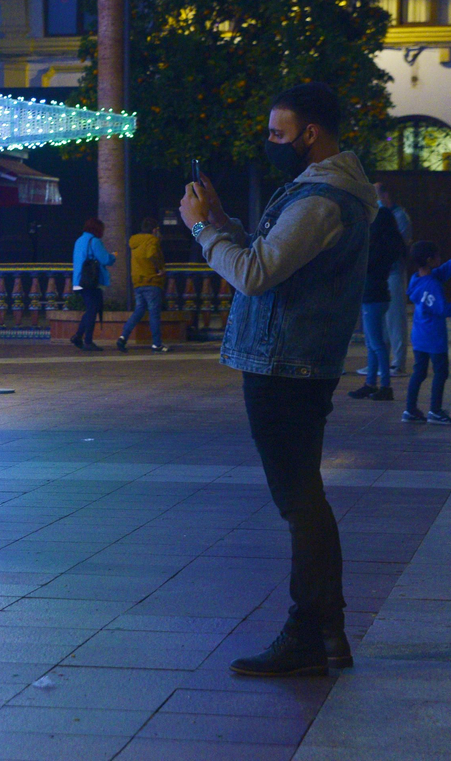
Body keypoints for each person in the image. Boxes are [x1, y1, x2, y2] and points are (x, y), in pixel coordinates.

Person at [180, 82, 375, 677]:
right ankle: (327, 633)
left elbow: (255, 274)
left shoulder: (322, 199)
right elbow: (272, 256)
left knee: (299, 501)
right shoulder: (322, 192)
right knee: (302, 497)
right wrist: (222, 218)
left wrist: (201, 230)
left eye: (276, 133)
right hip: (291, 360)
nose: (269, 143)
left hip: (285, 364)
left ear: (310, 133)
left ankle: (308, 634)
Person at [403, 242, 451, 426]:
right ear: (429, 260)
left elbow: (445, 269)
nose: (440, 259)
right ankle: (435, 410)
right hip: (434, 338)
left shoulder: (416, 279)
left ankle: (410, 409)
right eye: (437, 256)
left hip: (419, 337)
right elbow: (444, 310)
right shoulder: (433, 284)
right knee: (441, 372)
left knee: (419, 372)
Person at [347, 205, 405, 402]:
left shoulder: (376, 247)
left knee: (376, 344)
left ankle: (384, 385)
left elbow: (362, 266)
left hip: (371, 298)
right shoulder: (388, 245)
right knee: (373, 343)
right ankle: (371, 383)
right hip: (379, 297)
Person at [116, 217, 169, 353]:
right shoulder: (152, 240)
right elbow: (151, 254)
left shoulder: (135, 242)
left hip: (138, 282)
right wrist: (160, 268)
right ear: (154, 229)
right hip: (151, 281)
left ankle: (123, 337)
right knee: (154, 314)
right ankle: (157, 344)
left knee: (139, 310)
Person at [375, 183, 412, 374]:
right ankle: (380, 362)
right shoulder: (383, 216)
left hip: (394, 272)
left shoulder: (399, 216)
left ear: (384, 195)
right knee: (381, 321)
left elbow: (399, 245)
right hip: (383, 273)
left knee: (395, 319)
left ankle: (398, 362)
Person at [70, 217, 115, 351]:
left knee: (91, 309)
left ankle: (78, 336)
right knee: (92, 310)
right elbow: (105, 259)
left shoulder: (79, 240)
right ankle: (87, 341)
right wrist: (113, 256)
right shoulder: (94, 241)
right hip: (90, 282)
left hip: (79, 280)